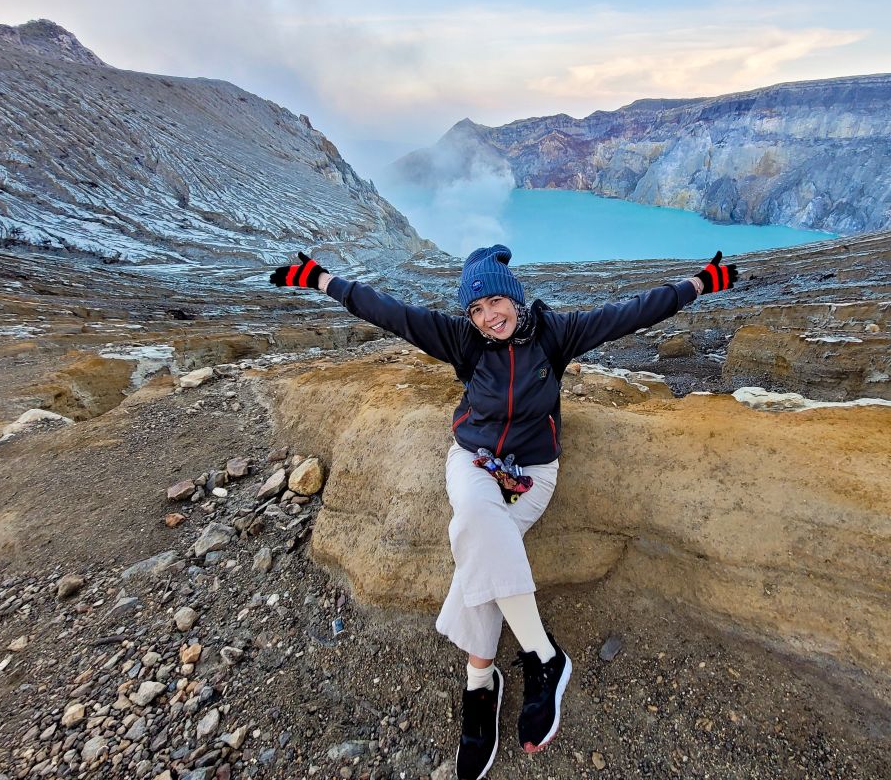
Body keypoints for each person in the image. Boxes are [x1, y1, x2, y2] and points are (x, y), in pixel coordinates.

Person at [269, 245, 738, 779]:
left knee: (481, 550)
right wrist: (321, 278)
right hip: (473, 459)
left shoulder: (555, 333)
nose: (488, 317)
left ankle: (480, 682)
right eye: (476, 309)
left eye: (495, 301)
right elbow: (389, 311)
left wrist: (700, 283)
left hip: (533, 472)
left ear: (514, 297)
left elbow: (631, 312)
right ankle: (543, 656)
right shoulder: (462, 341)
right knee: (474, 520)